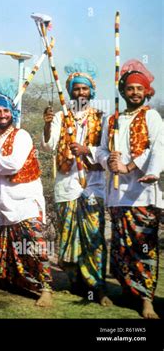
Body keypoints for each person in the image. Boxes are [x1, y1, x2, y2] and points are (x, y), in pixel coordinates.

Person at [0, 79, 53, 307]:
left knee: (33, 245)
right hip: (2, 201)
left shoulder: (22, 136)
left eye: (5, 110)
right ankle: (9, 281)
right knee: (4, 246)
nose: (1, 115)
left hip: (24, 201)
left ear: (12, 112)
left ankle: (45, 289)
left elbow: (13, 164)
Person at [41, 59, 111, 306]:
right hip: (67, 186)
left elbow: (105, 151)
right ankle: (77, 282)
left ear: (91, 92)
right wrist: (48, 124)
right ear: (70, 92)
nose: (81, 93)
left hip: (92, 185)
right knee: (69, 237)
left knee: (93, 236)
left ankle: (98, 287)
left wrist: (86, 150)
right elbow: (49, 145)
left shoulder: (102, 118)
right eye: (76, 89)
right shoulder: (62, 116)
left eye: (85, 89)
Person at [96, 59, 163, 318]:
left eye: (139, 88)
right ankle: (129, 292)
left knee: (143, 247)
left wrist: (130, 166)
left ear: (147, 92)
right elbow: (102, 149)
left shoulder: (152, 116)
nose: (135, 92)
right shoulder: (112, 119)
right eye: (130, 88)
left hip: (143, 193)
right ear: (122, 91)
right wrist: (108, 161)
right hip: (117, 196)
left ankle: (147, 299)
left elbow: (157, 147)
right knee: (122, 249)